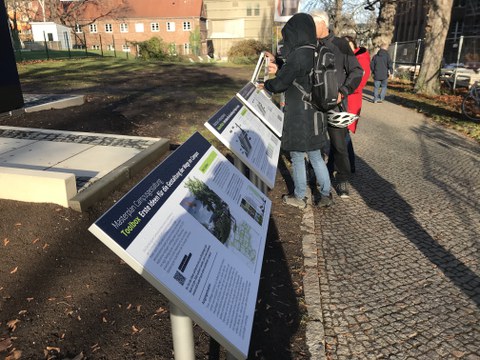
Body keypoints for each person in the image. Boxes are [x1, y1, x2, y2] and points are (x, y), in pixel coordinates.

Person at [259, 12, 333, 209]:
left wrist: (266, 85)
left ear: (296, 32)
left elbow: (282, 83)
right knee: (316, 155)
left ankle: (299, 197)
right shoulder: (315, 49)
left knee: (298, 156)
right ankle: (325, 194)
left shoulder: (299, 53)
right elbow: (299, 74)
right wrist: (281, 64)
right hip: (316, 112)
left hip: (299, 115)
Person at [310, 9, 363, 198]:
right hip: (314, 105)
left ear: (323, 24)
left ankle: (342, 179)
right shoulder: (309, 45)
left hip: (335, 104)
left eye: (313, 24)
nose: (309, 28)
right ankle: (313, 174)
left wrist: (344, 91)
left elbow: (357, 71)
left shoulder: (340, 44)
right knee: (314, 143)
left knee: (339, 146)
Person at [344, 35, 371, 173]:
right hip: (347, 98)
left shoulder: (360, 59)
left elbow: (359, 84)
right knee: (343, 133)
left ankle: (347, 165)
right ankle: (349, 164)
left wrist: (343, 89)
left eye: (349, 46)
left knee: (343, 133)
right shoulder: (352, 57)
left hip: (351, 100)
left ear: (354, 45)